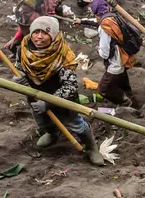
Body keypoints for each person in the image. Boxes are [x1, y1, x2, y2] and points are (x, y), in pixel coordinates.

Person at [13, 16, 104, 165]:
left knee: (76, 125)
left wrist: (49, 102)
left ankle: (92, 147)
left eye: (45, 33)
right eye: (36, 32)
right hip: (34, 95)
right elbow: (19, 67)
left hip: (62, 99)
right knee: (43, 122)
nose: (39, 37)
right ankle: (52, 133)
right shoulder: (24, 48)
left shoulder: (63, 55)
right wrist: (19, 77)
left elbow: (70, 86)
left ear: (53, 35)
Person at [87, 0, 140, 109]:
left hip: (116, 62)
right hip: (124, 56)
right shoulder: (113, 17)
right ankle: (134, 103)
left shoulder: (104, 26)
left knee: (104, 89)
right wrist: (82, 21)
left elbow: (105, 53)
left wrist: (99, 50)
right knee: (123, 84)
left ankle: (127, 105)